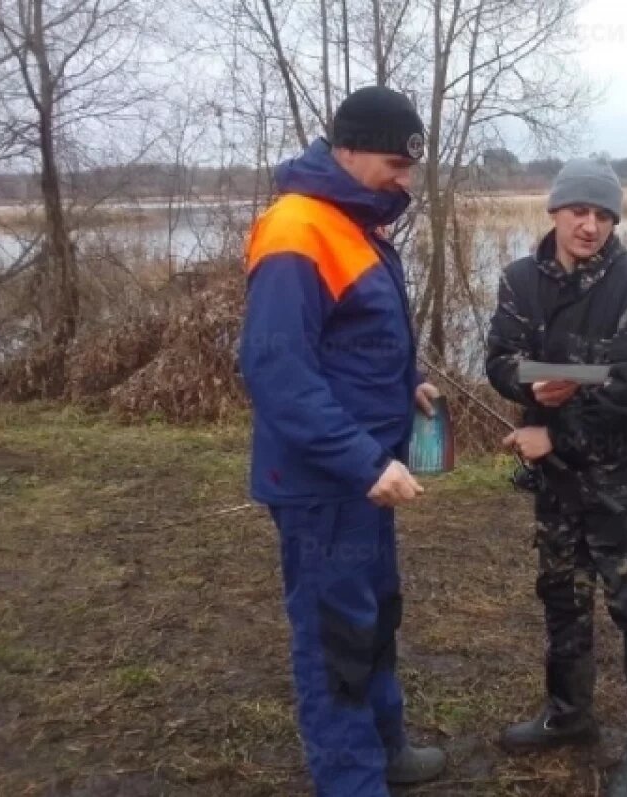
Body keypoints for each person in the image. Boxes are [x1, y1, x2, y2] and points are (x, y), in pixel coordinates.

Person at [238, 86, 445, 797]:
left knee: (375, 612)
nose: (405, 180)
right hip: (325, 480)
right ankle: (353, 782)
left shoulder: (355, 222)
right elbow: (275, 366)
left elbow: (353, 339)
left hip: (365, 473)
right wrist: (362, 459)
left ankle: (386, 751)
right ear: (349, 147)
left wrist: (406, 383)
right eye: (396, 163)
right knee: (336, 638)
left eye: (412, 167)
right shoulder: (297, 227)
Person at [485, 159, 627, 797]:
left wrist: (555, 430)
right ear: (555, 212)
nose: (590, 226)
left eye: (602, 216)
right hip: (557, 485)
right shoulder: (520, 280)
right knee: (562, 598)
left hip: (624, 487)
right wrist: (524, 381)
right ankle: (569, 715)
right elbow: (498, 357)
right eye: (579, 213)